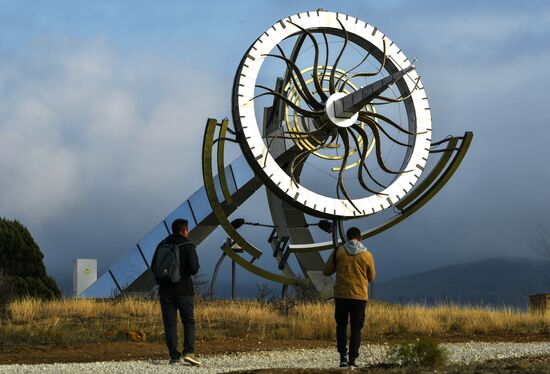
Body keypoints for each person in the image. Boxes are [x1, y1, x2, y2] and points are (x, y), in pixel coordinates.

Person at [322, 227, 376, 369]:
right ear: (360, 238)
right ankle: (353, 359)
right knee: (356, 328)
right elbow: (371, 277)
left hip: (341, 295)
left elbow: (326, 271)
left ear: (347, 237)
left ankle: (342, 357)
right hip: (359, 296)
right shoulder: (367, 255)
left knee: (341, 326)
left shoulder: (339, 251)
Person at [151, 218, 201, 365]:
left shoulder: (162, 244)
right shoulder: (188, 245)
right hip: (184, 290)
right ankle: (188, 352)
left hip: (165, 290)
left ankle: (173, 356)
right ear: (185, 230)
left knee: (170, 323)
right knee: (188, 321)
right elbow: (193, 269)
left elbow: (154, 266)